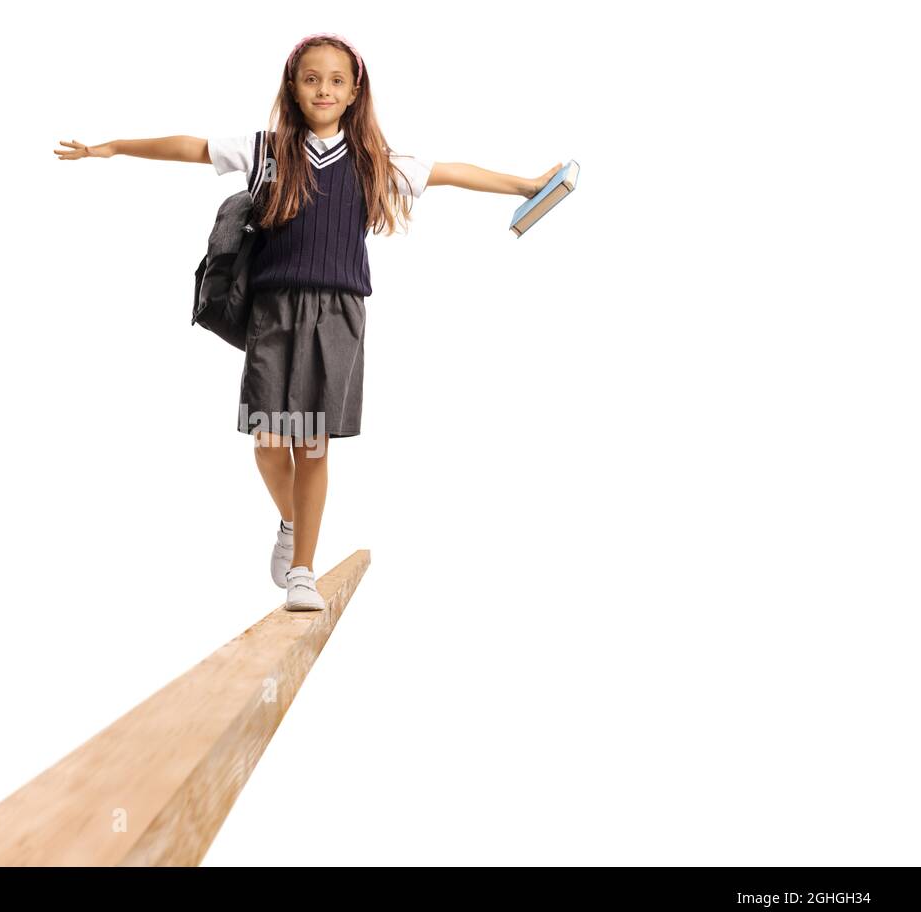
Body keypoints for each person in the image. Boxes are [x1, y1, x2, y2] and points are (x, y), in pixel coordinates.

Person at [55, 33, 561, 611]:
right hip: (275, 313)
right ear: (294, 88)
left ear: (354, 93)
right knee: (270, 444)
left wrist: (524, 185)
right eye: (312, 78)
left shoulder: (375, 162)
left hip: (339, 315)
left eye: (337, 80)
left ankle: (303, 571)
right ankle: (294, 521)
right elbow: (190, 147)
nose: (324, 88)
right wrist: (111, 148)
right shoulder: (264, 151)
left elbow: (451, 173)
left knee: (313, 446)